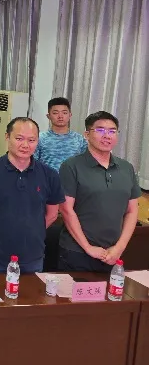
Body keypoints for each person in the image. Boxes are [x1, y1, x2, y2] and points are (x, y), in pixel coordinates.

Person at [0, 118, 64, 274]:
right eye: (19, 138)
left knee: (30, 291)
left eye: (31, 140)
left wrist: (32, 229)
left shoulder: (50, 175)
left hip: (33, 257)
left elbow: (52, 214)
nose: (25, 145)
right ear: (7, 136)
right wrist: (1, 228)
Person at [58, 111, 141, 272]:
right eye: (100, 130)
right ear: (87, 134)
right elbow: (66, 210)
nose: (107, 136)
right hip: (77, 252)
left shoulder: (126, 168)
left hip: (113, 253)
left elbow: (132, 210)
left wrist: (119, 247)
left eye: (112, 131)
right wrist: (88, 247)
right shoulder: (71, 166)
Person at [34, 97, 87, 171]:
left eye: (64, 113)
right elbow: (33, 163)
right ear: (48, 116)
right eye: (55, 113)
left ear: (70, 115)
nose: (60, 116)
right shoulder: (39, 138)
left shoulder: (79, 139)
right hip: (46, 178)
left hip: (72, 178)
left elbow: (85, 164)